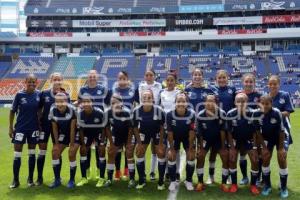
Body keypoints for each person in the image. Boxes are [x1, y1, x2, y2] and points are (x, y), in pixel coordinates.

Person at [77, 70, 111, 182]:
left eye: (94, 76)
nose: (92, 78)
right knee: (85, 149)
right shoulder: (82, 89)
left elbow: (108, 104)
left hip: (99, 124)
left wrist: (105, 117)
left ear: (97, 77)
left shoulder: (103, 89)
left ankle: (98, 170)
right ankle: (86, 171)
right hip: (86, 124)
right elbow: (79, 103)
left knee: (99, 149)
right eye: (90, 76)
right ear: (87, 77)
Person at [37, 72, 69, 186]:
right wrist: (39, 124)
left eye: (59, 79)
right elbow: (39, 109)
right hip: (45, 127)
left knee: (57, 151)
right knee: (42, 151)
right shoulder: (44, 93)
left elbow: (68, 112)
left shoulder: (65, 95)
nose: (57, 81)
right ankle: (39, 178)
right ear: (51, 80)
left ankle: (58, 178)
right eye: (54, 79)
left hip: (59, 128)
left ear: (62, 80)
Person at [9, 74, 41, 188]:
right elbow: (12, 111)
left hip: (33, 128)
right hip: (20, 128)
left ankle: (30, 179)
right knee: (17, 154)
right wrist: (10, 127)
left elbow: (40, 111)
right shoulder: (19, 94)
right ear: (25, 82)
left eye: (34, 82)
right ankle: (15, 180)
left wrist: (40, 126)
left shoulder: (39, 94)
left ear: (36, 82)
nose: (32, 84)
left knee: (32, 154)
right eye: (29, 81)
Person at [254, 95, 289, 198]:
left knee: (281, 159)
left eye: (267, 104)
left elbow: (282, 131)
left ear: (271, 104)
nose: (264, 106)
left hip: (280, 138)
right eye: (262, 104)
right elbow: (258, 133)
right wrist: (264, 148)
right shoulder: (256, 114)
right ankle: (267, 186)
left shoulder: (276, 112)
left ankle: (283, 188)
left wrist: (281, 148)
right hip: (267, 139)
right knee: (265, 159)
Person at [226, 93, 260, 195]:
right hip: (235, 140)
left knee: (255, 160)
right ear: (235, 102)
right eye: (238, 101)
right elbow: (229, 132)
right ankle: (234, 184)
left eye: (243, 101)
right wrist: (231, 148)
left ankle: (253, 185)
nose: (241, 103)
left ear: (247, 102)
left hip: (248, 140)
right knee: (232, 160)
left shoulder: (253, 113)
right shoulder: (230, 114)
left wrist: (254, 147)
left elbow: (255, 132)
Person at [207, 70, 236, 184]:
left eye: (224, 77)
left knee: (227, 151)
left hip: (228, 124)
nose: (222, 80)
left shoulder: (233, 90)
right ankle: (211, 176)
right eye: (219, 78)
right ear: (216, 79)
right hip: (214, 123)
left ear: (227, 78)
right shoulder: (211, 89)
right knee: (213, 152)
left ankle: (228, 175)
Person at [133, 90, 166, 190]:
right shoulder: (137, 111)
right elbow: (135, 128)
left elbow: (162, 128)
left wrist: (160, 144)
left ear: (153, 99)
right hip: (143, 133)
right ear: (141, 99)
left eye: (149, 97)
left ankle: (161, 181)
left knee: (161, 153)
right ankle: (142, 179)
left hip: (157, 132)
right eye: (144, 97)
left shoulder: (159, 110)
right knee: (139, 152)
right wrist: (139, 143)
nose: (146, 99)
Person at [195, 94, 229, 192]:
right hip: (206, 140)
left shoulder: (221, 113)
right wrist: (201, 148)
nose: (209, 103)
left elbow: (223, 131)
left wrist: (223, 148)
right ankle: (200, 182)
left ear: (216, 103)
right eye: (207, 101)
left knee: (224, 156)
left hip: (218, 140)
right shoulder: (201, 115)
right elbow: (200, 134)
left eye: (212, 101)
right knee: (200, 157)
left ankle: (223, 183)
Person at [48, 93, 80, 188]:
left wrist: (72, 144)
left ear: (66, 101)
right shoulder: (53, 110)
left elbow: (73, 128)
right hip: (63, 133)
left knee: (71, 153)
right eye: (57, 102)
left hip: (75, 132)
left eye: (62, 101)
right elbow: (54, 128)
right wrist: (57, 144)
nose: (60, 104)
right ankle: (57, 180)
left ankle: (72, 180)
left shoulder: (72, 110)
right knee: (55, 152)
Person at [103, 94, 135, 188]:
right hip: (116, 134)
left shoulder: (127, 112)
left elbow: (131, 129)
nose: (114, 105)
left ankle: (132, 179)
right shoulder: (108, 112)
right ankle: (109, 179)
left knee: (129, 153)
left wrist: (128, 143)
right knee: (111, 152)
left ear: (121, 103)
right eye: (112, 103)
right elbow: (107, 128)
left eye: (115, 102)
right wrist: (111, 144)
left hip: (127, 134)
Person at [167, 93, 196, 192]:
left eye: (183, 101)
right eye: (178, 101)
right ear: (175, 103)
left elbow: (192, 132)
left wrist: (191, 148)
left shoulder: (192, 114)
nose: (181, 103)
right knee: (171, 156)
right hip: (175, 137)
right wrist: (171, 149)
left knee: (191, 156)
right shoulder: (170, 114)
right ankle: (172, 181)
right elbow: (170, 132)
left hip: (187, 137)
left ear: (187, 103)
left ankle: (188, 181)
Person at [76, 94, 106, 188]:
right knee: (83, 151)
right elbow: (80, 130)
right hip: (86, 134)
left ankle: (101, 177)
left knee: (101, 151)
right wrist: (83, 144)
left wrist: (101, 143)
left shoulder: (99, 112)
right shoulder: (80, 114)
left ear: (92, 103)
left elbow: (104, 128)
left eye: (88, 102)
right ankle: (84, 177)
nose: (86, 104)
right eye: (84, 102)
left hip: (98, 133)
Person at [111, 71, 137, 180]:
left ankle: (126, 171)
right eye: (119, 78)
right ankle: (117, 172)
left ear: (127, 79)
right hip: (116, 124)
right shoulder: (112, 90)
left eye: (124, 78)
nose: (122, 80)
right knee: (117, 150)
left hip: (128, 124)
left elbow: (139, 103)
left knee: (128, 149)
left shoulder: (133, 91)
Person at [138, 69, 162, 181]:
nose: (148, 77)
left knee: (156, 149)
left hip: (156, 118)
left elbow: (161, 101)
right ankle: (142, 175)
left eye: (151, 75)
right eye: (147, 75)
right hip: (144, 118)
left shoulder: (159, 86)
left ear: (154, 76)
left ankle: (153, 172)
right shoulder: (140, 87)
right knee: (142, 149)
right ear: (144, 76)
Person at [238, 73, 262, 185]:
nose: (248, 84)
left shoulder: (259, 95)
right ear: (243, 83)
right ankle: (244, 177)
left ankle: (257, 178)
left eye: (250, 81)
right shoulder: (238, 94)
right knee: (242, 154)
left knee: (257, 154)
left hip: (255, 131)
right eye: (246, 81)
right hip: (242, 129)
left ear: (254, 83)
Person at [159, 72, 181, 181]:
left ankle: (176, 172)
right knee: (166, 148)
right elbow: (160, 108)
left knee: (175, 149)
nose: (170, 82)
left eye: (172, 80)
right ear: (165, 81)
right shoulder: (161, 92)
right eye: (168, 80)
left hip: (176, 124)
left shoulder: (179, 93)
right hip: (164, 124)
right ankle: (168, 171)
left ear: (175, 82)